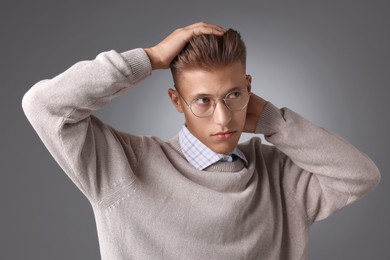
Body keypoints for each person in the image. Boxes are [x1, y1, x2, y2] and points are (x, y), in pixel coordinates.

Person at [22, 22, 380, 260]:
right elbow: (44, 105)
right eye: (203, 100)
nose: (223, 118)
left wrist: (274, 121)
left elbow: (360, 175)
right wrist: (150, 58)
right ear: (177, 101)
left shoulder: (280, 177)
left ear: (250, 89)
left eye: (234, 95)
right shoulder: (123, 168)